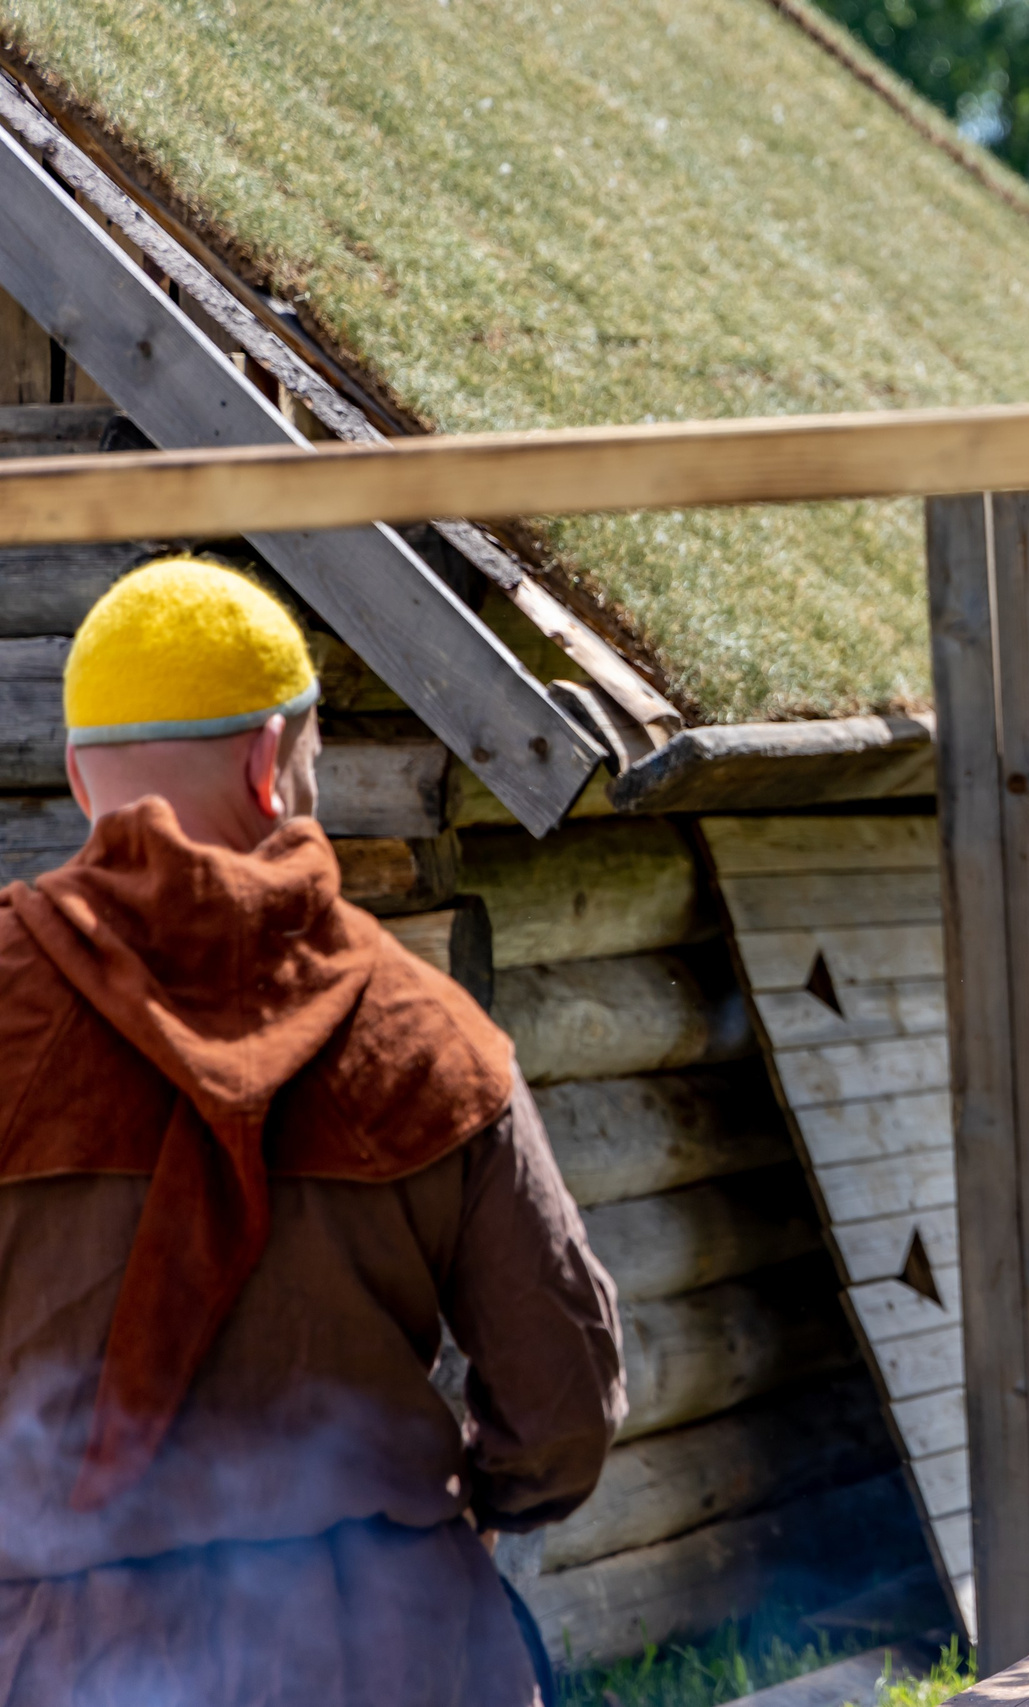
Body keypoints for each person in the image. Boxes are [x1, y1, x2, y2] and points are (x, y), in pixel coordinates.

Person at [0, 559, 625, 1706]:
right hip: (393, 1648)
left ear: (84, 780)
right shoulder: (431, 1036)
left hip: (57, 1656)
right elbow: (560, 1401)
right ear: (267, 766)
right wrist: (467, 1513)